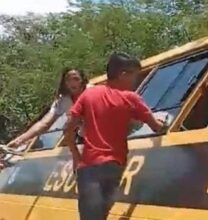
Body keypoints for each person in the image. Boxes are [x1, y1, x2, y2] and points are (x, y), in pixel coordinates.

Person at [63, 52, 165, 220]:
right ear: (123, 74)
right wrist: (164, 122)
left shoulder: (89, 94)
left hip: (88, 168)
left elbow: (68, 128)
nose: (135, 80)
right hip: (113, 167)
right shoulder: (131, 98)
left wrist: (76, 155)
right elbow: (156, 127)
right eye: (133, 75)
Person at [7, 68, 90, 149]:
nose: (72, 82)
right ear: (65, 83)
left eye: (76, 79)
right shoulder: (63, 100)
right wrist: (20, 139)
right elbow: (44, 123)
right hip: (84, 137)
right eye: (68, 80)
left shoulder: (93, 92)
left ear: (83, 80)